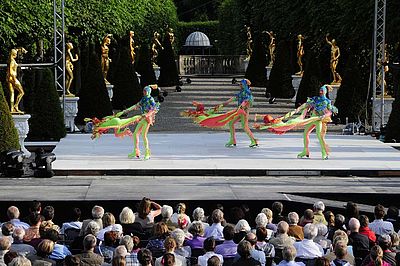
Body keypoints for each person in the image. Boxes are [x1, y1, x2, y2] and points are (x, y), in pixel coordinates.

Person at [256, 85, 338, 160]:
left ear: (325, 91)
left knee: (319, 136)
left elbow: (329, 112)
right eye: (320, 90)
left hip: (318, 120)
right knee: (305, 133)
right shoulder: (315, 99)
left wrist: (323, 116)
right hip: (312, 119)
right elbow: (306, 105)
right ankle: (305, 151)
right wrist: (297, 110)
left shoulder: (327, 101)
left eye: (322, 90)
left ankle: (324, 153)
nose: (320, 91)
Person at [88, 85, 160, 160]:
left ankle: (147, 152)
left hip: (147, 119)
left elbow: (155, 108)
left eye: (145, 91)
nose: (144, 93)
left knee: (143, 135)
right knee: (135, 134)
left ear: (148, 91)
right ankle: (136, 151)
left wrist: (148, 114)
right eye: (144, 91)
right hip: (142, 118)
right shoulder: (143, 99)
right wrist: (124, 111)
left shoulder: (150, 99)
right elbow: (134, 106)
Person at [7, 48, 26, 114]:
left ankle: (12, 109)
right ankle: (16, 106)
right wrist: (14, 79)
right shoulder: (12, 61)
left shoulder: (10, 60)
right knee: (22, 92)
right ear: (14, 54)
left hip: (9, 78)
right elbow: (10, 71)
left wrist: (20, 49)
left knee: (12, 93)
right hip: (13, 78)